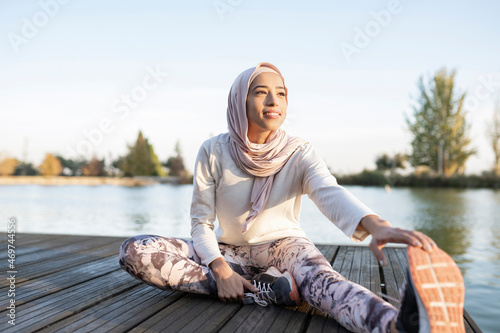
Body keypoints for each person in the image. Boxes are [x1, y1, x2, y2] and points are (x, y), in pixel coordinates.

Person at [119, 63, 465, 333]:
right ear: (240, 100)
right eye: (260, 92)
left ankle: (395, 324)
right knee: (135, 251)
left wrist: (376, 225)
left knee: (325, 286)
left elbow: (329, 192)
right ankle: (264, 288)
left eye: (281, 94)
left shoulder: (299, 151)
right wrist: (221, 269)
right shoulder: (213, 150)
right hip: (228, 252)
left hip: (284, 247)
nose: (273, 101)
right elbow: (201, 223)